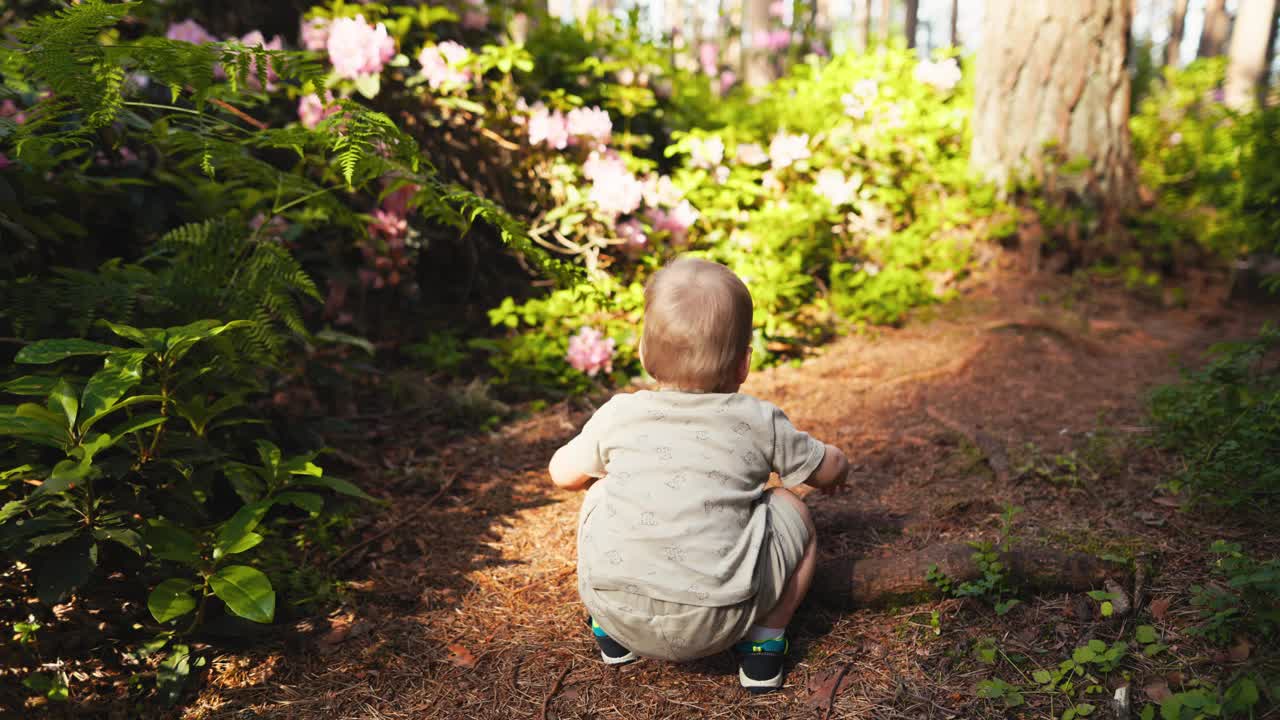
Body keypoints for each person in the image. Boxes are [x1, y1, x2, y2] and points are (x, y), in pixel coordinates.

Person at [548, 256, 849, 692]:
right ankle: (764, 644)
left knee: (600, 489)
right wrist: (841, 470)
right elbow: (826, 469)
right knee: (790, 504)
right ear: (744, 364)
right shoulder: (757, 420)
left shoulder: (620, 413)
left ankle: (611, 637)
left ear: (643, 353)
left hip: (616, 608)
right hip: (723, 619)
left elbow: (562, 474)